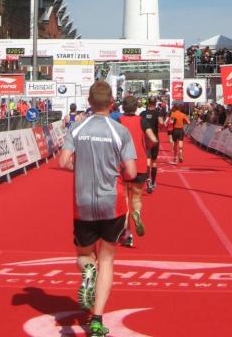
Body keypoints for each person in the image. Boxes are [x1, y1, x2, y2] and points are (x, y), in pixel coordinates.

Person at [58, 80, 136, 337]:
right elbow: (131, 171)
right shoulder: (120, 131)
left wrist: (80, 168)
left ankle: (86, 270)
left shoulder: (77, 128)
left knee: (84, 254)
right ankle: (97, 319)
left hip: (83, 203)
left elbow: (62, 161)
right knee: (107, 259)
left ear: (89, 102)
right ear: (111, 102)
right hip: (112, 202)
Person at [118, 95, 157, 247]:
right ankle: (138, 213)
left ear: (123, 107)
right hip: (139, 163)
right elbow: (153, 139)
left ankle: (127, 234)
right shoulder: (142, 121)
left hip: (123, 164)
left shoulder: (118, 121)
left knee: (124, 200)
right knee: (136, 197)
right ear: (136, 108)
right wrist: (146, 147)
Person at [140, 96, 164, 192]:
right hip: (154, 139)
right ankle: (153, 182)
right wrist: (160, 126)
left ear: (148, 103)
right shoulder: (157, 113)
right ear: (155, 103)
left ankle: (148, 180)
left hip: (146, 139)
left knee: (147, 159)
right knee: (154, 161)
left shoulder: (143, 113)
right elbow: (161, 123)